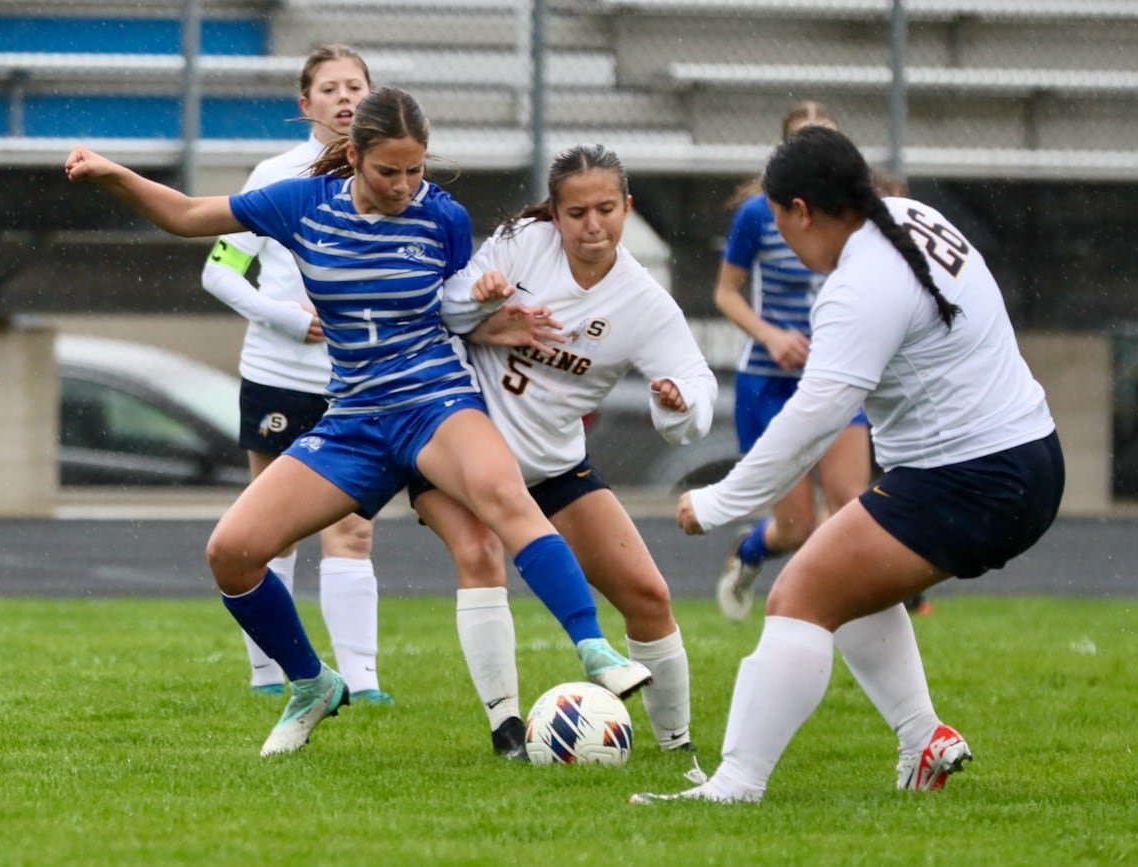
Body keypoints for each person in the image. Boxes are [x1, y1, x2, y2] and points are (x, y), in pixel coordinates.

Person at [64, 86, 651, 758]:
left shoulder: (443, 217)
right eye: (389, 171)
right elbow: (190, 214)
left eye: (416, 170)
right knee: (231, 552)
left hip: (436, 401)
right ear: (353, 156)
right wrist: (115, 175)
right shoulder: (300, 205)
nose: (405, 187)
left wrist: (496, 317)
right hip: (354, 419)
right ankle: (312, 682)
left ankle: (595, 650)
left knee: (505, 506)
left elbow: (458, 309)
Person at [632, 126, 1063, 804]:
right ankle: (922, 737)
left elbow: (811, 422)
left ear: (802, 211)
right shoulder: (915, 218)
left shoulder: (859, 283)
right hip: (1028, 454)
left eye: (779, 222)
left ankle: (735, 786)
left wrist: (718, 501)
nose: (784, 241)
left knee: (797, 597)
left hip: (974, 476)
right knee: (845, 573)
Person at [419, 144, 717, 757]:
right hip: (457, 449)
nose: (592, 225)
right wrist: (484, 299)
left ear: (627, 208)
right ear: (554, 214)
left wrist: (679, 400)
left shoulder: (643, 300)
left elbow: (697, 383)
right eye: (576, 211)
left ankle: (676, 750)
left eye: (606, 209)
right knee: (479, 553)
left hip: (551, 464)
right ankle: (506, 731)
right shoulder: (522, 242)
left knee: (648, 594)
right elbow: (443, 305)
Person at [201, 43, 392, 702]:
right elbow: (218, 270)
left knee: (353, 527)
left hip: (358, 384)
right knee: (268, 526)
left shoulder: (394, 176)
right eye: (330, 88)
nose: (345, 98)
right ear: (305, 104)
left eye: (356, 87)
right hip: (279, 374)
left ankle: (363, 682)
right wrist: (286, 316)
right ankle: (269, 672)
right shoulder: (273, 174)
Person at [710, 101, 872, 622]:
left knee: (853, 507)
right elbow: (726, 294)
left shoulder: (857, 218)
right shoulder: (759, 214)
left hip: (835, 378)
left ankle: (825, 611)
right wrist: (773, 336)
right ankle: (752, 550)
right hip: (770, 382)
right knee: (797, 526)